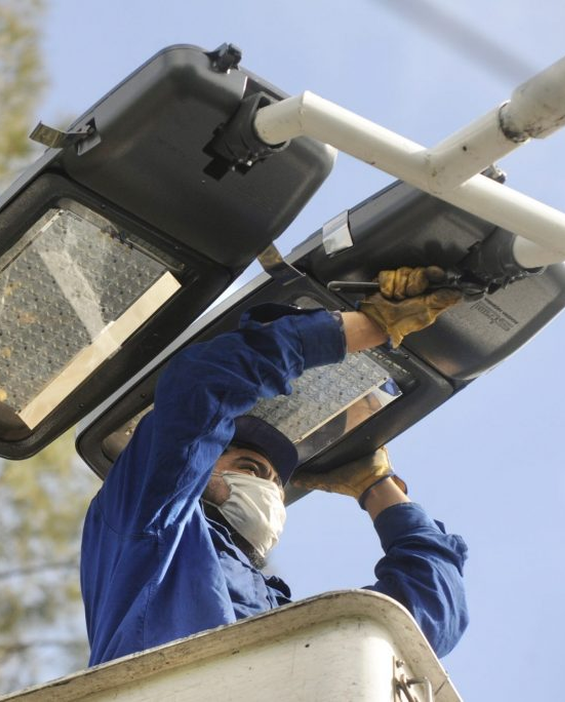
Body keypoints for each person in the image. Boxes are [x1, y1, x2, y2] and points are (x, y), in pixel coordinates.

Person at [80, 266, 469, 667]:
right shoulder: (147, 522)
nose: (268, 484)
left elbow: (428, 617)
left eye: (275, 484)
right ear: (195, 469)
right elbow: (199, 387)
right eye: (249, 465)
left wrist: (376, 485)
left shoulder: (283, 626)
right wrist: (369, 326)